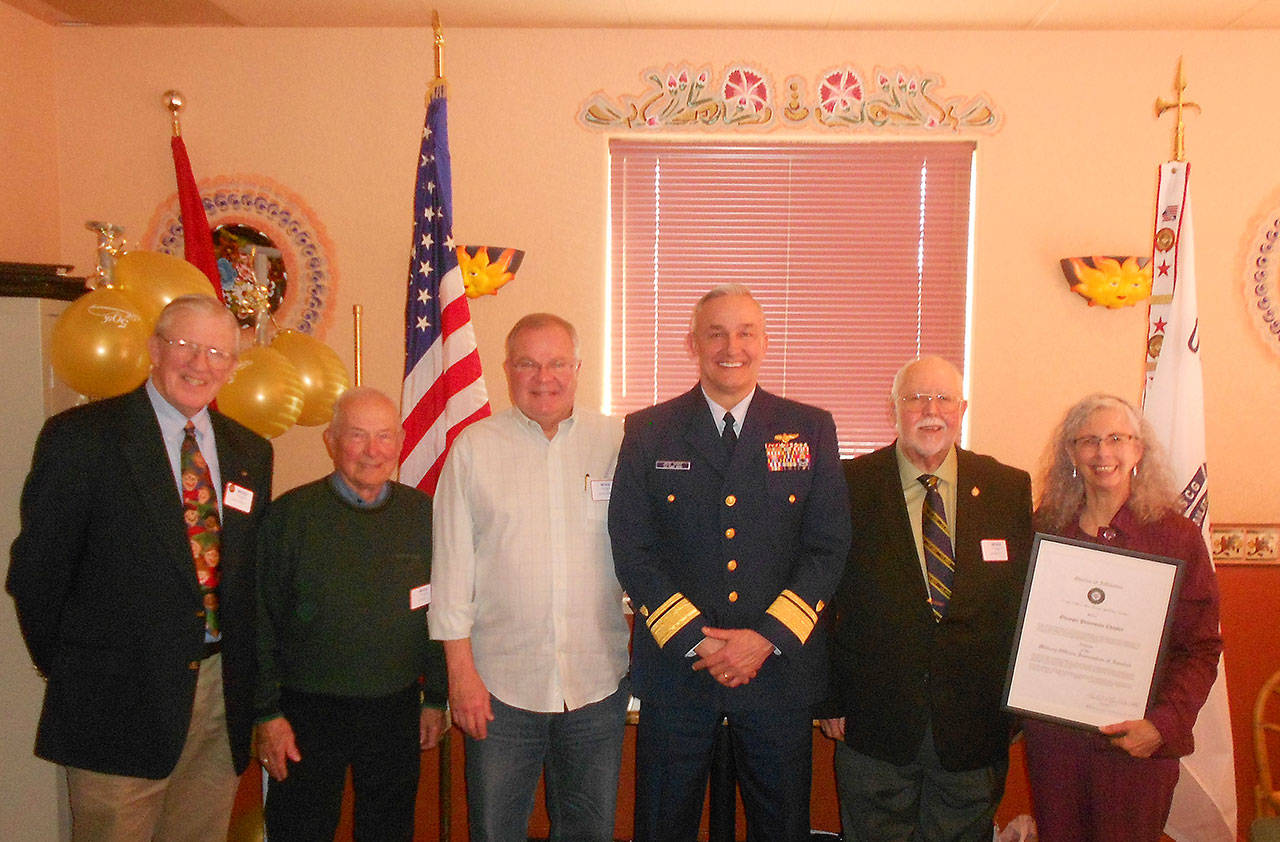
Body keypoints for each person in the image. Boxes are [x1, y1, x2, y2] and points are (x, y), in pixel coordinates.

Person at [7, 294, 273, 842]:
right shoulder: (83, 438)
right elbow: (37, 573)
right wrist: (76, 668)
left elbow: (246, 581)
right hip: (113, 703)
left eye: (217, 352)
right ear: (154, 349)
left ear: (233, 366)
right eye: (185, 346)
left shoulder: (251, 451)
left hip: (220, 699)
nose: (200, 364)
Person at [609, 284, 852, 842]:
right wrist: (700, 639)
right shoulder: (649, 430)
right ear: (693, 342)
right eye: (715, 332)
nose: (730, 345)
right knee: (662, 825)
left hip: (777, 673)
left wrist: (764, 638)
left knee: (781, 827)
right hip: (679, 672)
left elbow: (827, 547)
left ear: (765, 342)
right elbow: (632, 547)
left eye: (745, 331)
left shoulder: (809, 429)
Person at [430, 313, 631, 842]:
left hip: (597, 683)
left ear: (579, 368)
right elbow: (450, 573)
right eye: (528, 363)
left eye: (557, 363)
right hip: (498, 689)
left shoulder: (619, 442)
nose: (544, 377)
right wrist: (461, 677)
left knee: (588, 832)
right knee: (495, 831)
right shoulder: (473, 448)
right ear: (507, 370)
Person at [818, 355, 1033, 842]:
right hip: (873, 722)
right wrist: (828, 697)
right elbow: (821, 600)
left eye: (943, 399)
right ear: (892, 410)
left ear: (962, 409)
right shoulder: (847, 486)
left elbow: (1020, 605)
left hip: (975, 725)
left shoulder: (1006, 487)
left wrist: (1018, 704)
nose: (930, 410)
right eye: (915, 399)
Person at [1023, 393, 1222, 842]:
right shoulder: (1046, 528)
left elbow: (1201, 648)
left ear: (1138, 449)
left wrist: (1162, 726)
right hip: (1057, 745)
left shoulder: (1176, 536)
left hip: (1136, 746)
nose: (1102, 452)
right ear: (1071, 453)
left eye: (1116, 438)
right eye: (1088, 440)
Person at [254, 386, 446, 841]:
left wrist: (436, 697)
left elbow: (442, 612)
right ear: (331, 440)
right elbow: (259, 621)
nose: (372, 451)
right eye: (357, 436)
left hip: (396, 708)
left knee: (389, 830)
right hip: (305, 712)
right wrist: (265, 713)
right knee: (300, 830)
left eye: (383, 437)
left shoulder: (424, 516)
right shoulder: (290, 517)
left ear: (400, 442)